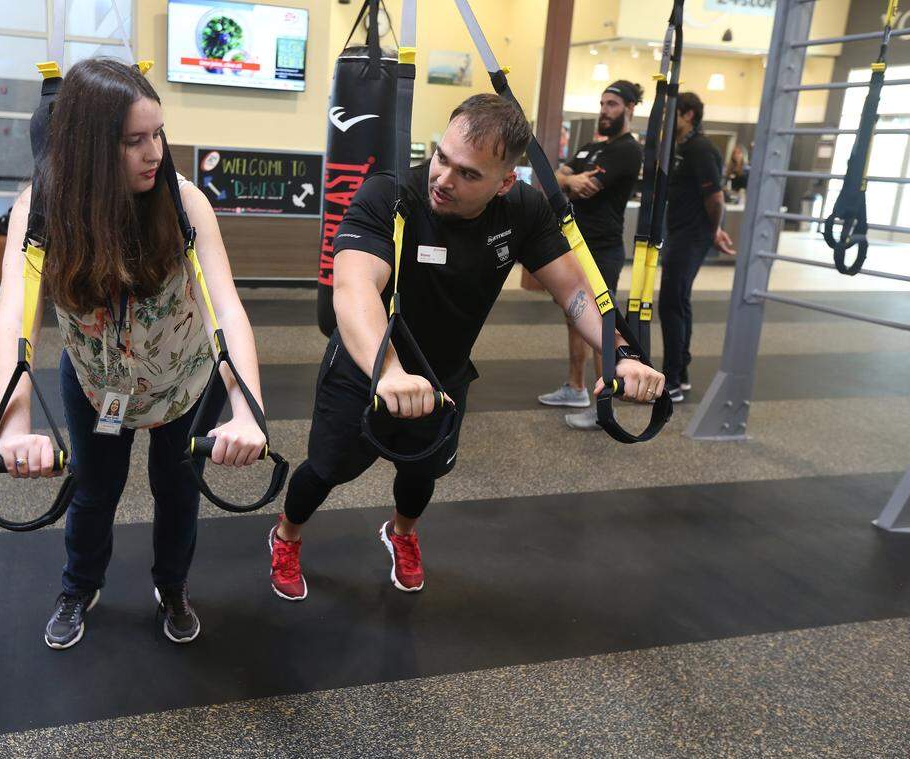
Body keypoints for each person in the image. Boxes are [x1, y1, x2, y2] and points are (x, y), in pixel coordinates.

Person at [267, 94, 664, 600]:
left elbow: (575, 292)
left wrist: (619, 354)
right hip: (366, 369)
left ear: (504, 183)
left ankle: (402, 535)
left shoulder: (522, 208)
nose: (444, 179)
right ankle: (286, 535)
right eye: (441, 157)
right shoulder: (389, 196)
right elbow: (353, 288)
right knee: (325, 471)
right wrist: (388, 372)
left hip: (443, 378)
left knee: (420, 476)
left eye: (468, 174)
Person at [0, 59, 268, 649]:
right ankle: (78, 587)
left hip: (183, 382)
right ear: (89, 147)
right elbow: (14, 321)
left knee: (178, 492)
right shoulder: (40, 209)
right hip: (97, 383)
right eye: (134, 141)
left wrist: (249, 413)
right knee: (94, 491)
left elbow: (229, 311)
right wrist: (13, 427)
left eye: (158, 134)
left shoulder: (185, 202)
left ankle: (172, 587)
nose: (155, 153)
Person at [536, 81, 645, 431]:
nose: (604, 110)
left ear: (629, 108)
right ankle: (575, 387)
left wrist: (568, 179)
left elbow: (583, 185)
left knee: (600, 322)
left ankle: (604, 405)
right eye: (602, 103)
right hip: (576, 244)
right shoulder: (590, 147)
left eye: (612, 104)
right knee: (574, 314)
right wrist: (568, 178)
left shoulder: (627, 150)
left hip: (602, 247)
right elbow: (555, 177)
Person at [659, 92, 736, 401]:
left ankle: (672, 380)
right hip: (681, 233)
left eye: (672, 113)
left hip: (692, 236)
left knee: (671, 303)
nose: (666, 119)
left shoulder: (701, 148)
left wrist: (714, 230)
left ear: (688, 114)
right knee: (678, 301)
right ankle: (681, 372)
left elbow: (715, 198)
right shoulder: (683, 148)